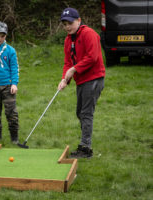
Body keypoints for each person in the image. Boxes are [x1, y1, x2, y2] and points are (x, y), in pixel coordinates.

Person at [58, 8, 105, 158]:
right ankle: (86, 143)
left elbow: (93, 57)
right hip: (82, 80)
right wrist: (65, 79)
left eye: (70, 23)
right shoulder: (67, 40)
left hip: (94, 78)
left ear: (78, 20)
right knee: (80, 112)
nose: (67, 27)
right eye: (64, 24)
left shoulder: (89, 34)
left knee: (85, 113)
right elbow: (67, 62)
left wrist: (74, 69)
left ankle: (86, 148)